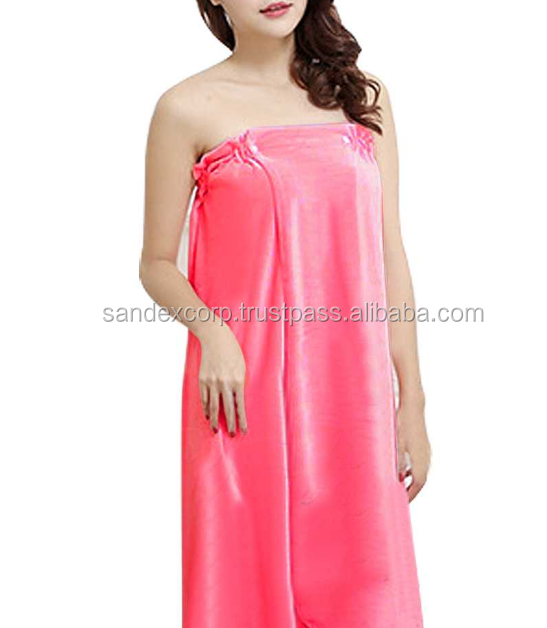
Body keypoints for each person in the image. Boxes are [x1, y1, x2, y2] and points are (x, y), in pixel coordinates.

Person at [139, 1, 432, 626]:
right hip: (243, 395)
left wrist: (412, 400)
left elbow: (390, 254)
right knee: (246, 586)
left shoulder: (362, 97)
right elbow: (156, 263)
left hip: (351, 397)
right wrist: (214, 335)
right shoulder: (186, 108)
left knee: (365, 589)